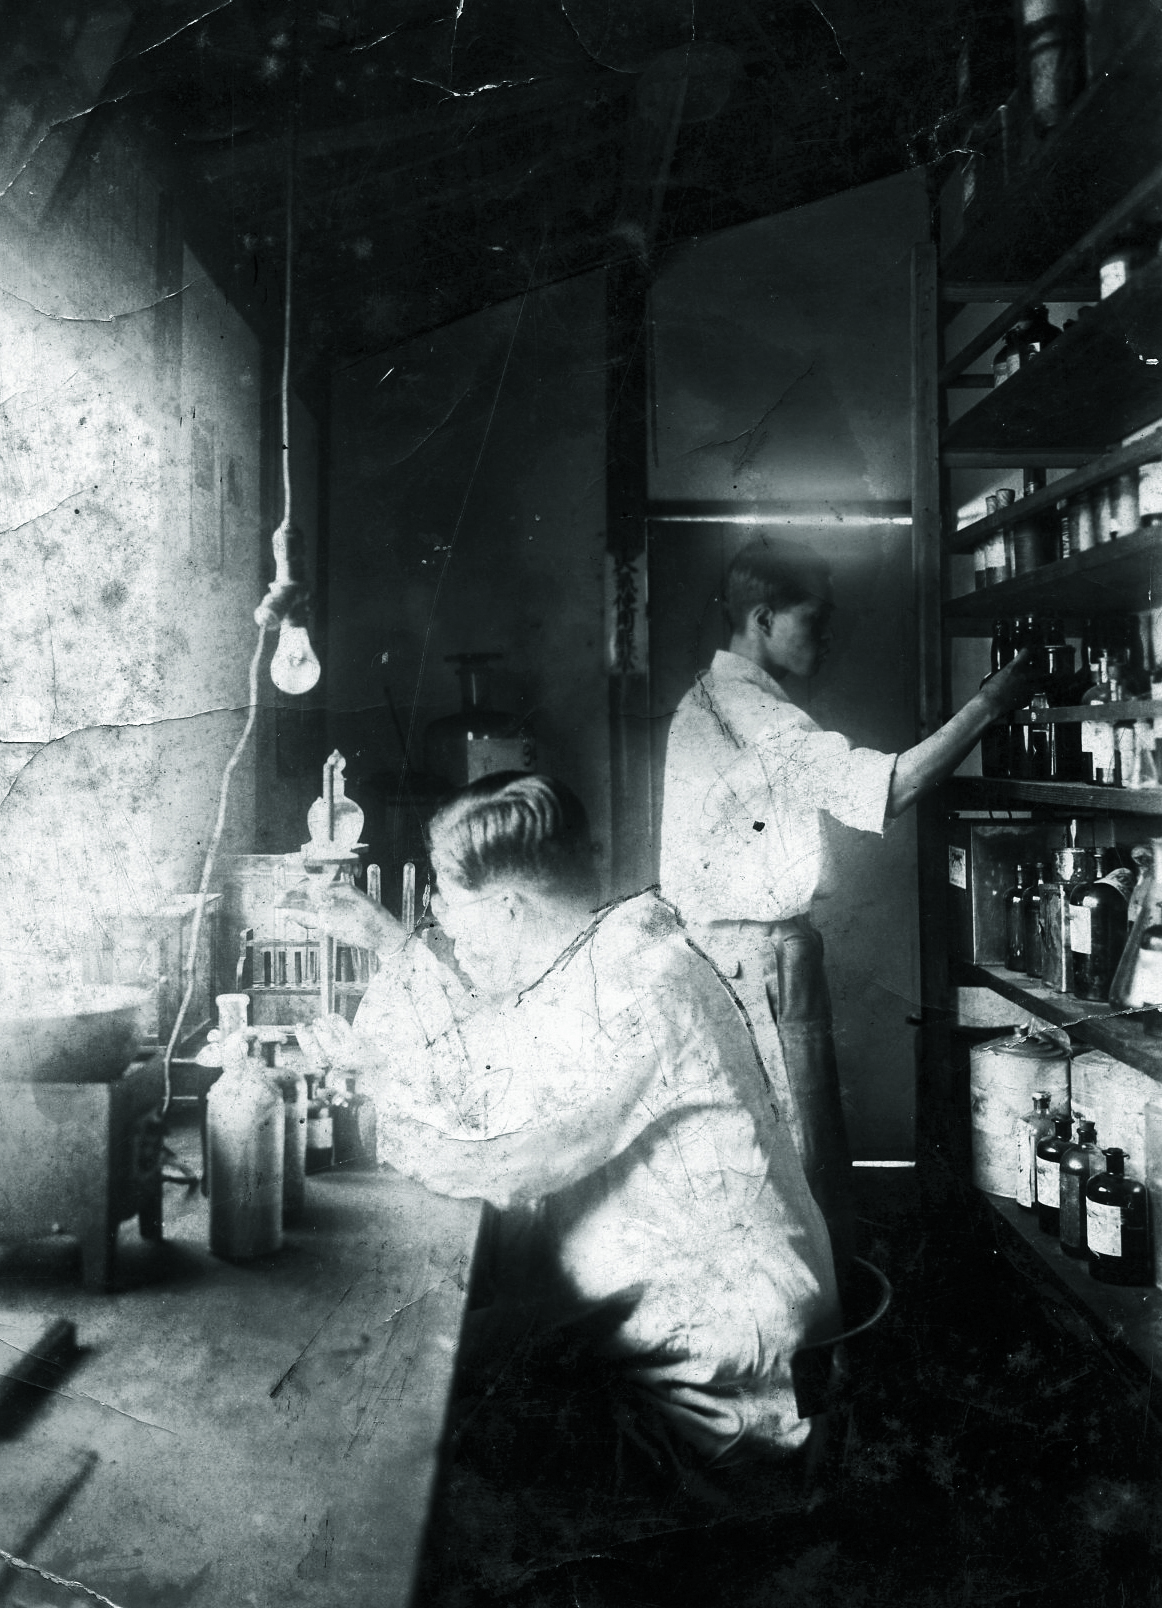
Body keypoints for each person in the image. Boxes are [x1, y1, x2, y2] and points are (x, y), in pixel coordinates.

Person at [306, 771, 841, 1468]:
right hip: (683, 1328)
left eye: (447, 901)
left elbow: (504, 1168)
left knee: (394, 1390)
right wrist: (390, 944)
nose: (443, 924)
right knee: (417, 1359)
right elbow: (497, 1046)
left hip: (722, 1390)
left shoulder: (639, 984)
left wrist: (375, 1092)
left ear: (508, 908)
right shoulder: (604, 952)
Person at [660, 535, 1045, 1270]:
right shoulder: (755, 715)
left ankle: (803, 1311)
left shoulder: (709, 696)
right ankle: (819, 1322)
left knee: (760, 1157)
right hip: (758, 960)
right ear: (764, 618)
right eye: (817, 617)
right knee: (801, 1158)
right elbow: (892, 787)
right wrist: (990, 705)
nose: (830, 635)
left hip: (725, 956)